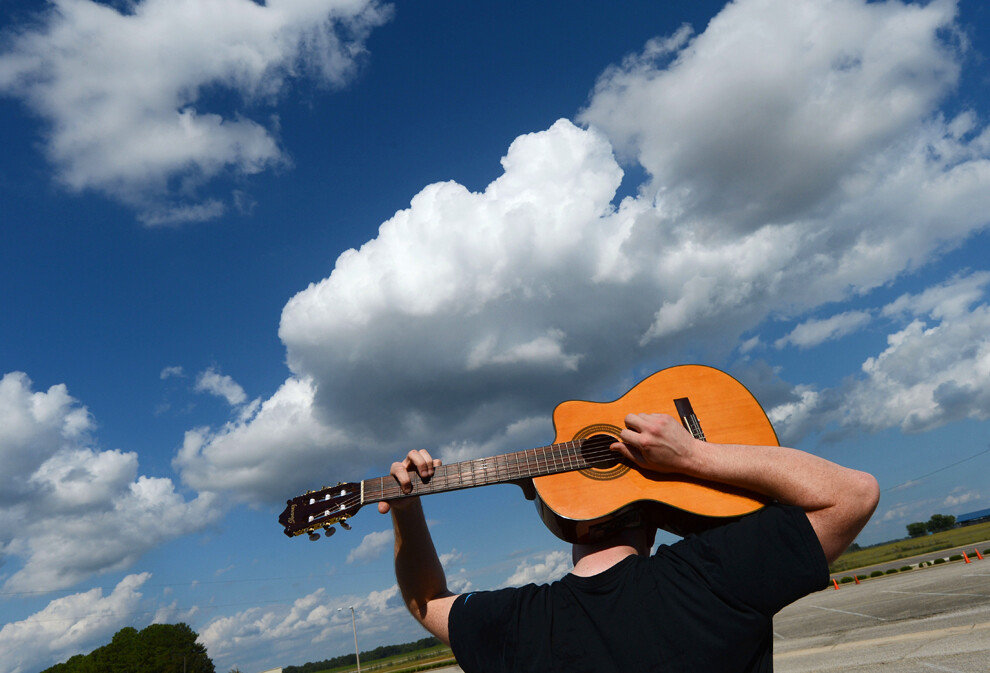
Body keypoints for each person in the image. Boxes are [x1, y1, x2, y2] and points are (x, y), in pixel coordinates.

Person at [377, 412, 880, 673]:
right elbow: (853, 494)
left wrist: (406, 508)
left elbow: (427, 601)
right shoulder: (713, 576)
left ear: (558, 517)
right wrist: (693, 457)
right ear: (655, 512)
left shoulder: (515, 626)